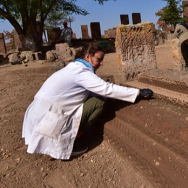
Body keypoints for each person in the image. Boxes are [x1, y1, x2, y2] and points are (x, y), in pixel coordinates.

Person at [22, 43, 153, 160]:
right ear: (88, 57)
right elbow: (105, 89)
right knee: (99, 101)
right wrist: (137, 92)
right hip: (49, 117)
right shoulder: (81, 72)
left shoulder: (73, 68)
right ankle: (72, 140)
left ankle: (70, 135)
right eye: (99, 59)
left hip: (39, 114)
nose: (101, 63)